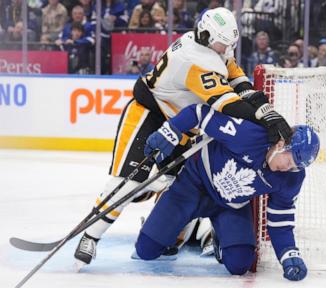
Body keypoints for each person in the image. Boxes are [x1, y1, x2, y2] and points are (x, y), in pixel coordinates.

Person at [74, 7, 291, 268]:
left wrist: (260, 106)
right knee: (127, 182)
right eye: (224, 43)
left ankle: (177, 232)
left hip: (182, 125)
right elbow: (227, 104)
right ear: (208, 35)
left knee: (174, 182)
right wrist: (263, 116)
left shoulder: (212, 45)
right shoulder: (195, 60)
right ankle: (90, 236)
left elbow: (234, 76)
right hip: (150, 114)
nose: (227, 49)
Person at [135, 102, 319, 279]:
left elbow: (281, 219)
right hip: (191, 187)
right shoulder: (249, 134)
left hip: (229, 205)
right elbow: (198, 113)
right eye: (288, 162)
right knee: (146, 250)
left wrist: (288, 254)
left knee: (239, 265)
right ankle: (173, 215)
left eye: (295, 167)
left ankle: (218, 234)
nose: (288, 169)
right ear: (280, 145)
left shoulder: (292, 177)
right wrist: (169, 132)